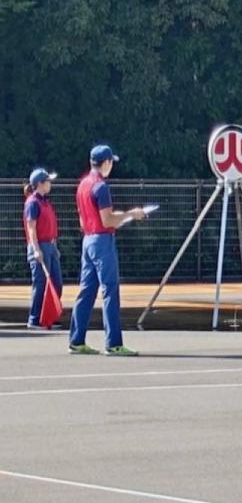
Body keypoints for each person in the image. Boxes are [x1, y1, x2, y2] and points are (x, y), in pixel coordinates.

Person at [68, 144, 145, 356]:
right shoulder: (101, 186)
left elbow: (85, 220)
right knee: (110, 290)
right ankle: (113, 343)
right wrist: (131, 214)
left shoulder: (83, 184)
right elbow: (107, 219)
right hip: (102, 241)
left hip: (88, 240)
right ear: (107, 162)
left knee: (86, 291)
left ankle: (76, 340)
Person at [23, 168, 63, 329]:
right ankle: (35, 319)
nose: (50, 184)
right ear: (40, 184)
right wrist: (36, 248)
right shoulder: (32, 202)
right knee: (40, 283)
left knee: (56, 282)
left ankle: (48, 317)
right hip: (40, 246)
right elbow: (31, 227)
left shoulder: (45, 201)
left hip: (50, 246)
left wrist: (54, 246)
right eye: (48, 181)